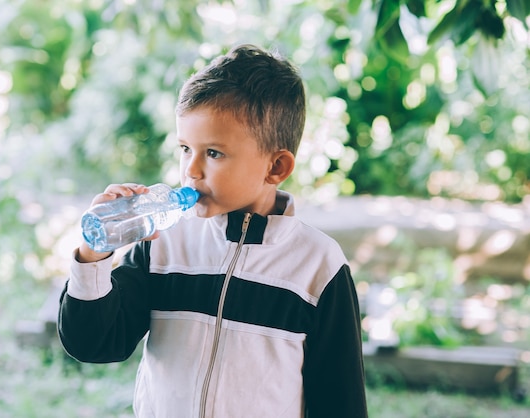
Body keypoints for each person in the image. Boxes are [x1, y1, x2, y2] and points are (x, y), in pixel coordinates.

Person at [58, 44, 368, 417]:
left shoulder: (317, 265)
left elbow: (339, 401)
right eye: (185, 148)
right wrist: (95, 255)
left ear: (276, 167)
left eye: (214, 153)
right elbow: (94, 342)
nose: (191, 170)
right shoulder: (164, 247)